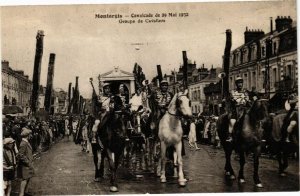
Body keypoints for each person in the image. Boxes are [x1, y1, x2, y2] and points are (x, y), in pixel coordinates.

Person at [226, 76, 250, 142]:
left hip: (245, 109)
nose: (240, 84)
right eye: (238, 83)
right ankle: (230, 135)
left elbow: (248, 100)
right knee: (232, 121)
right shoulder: (233, 92)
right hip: (236, 110)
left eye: (241, 83)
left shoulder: (245, 92)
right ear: (236, 84)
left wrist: (250, 100)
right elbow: (234, 101)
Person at [17, 128, 34, 196]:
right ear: (27, 135)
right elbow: (20, 155)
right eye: (30, 134)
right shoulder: (23, 143)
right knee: (25, 179)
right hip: (25, 165)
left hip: (28, 164)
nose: (31, 135)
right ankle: (21, 193)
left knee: (28, 178)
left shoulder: (26, 142)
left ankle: (24, 192)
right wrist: (27, 162)